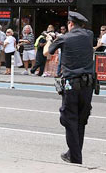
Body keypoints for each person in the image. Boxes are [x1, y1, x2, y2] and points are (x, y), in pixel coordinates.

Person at [43, 11, 94, 164]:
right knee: (81, 120)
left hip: (72, 84)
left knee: (69, 120)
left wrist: (48, 40)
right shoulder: (89, 35)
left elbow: (47, 52)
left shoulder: (64, 38)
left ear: (70, 24)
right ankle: (73, 152)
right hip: (88, 85)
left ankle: (75, 158)